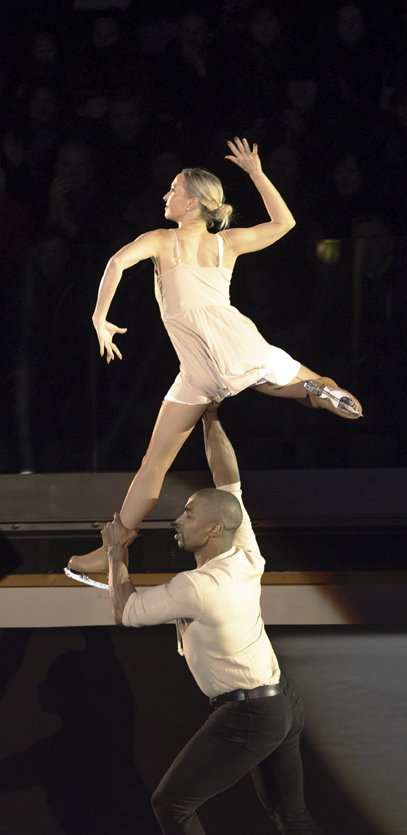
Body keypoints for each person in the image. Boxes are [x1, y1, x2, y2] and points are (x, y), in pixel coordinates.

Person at [102, 405, 358, 835]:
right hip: (279, 699)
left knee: (171, 804)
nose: (178, 519)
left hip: (248, 712)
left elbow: (123, 611)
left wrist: (116, 550)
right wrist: (211, 417)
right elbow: (228, 479)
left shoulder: (198, 585)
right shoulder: (247, 552)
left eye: (189, 514)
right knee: (292, 813)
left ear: (213, 529)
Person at [68, 138, 363, 579]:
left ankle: (113, 549)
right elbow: (285, 222)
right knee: (293, 378)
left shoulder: (162, 241)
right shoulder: (228, 244)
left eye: (172, 190)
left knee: (155, 463)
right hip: (238, 342)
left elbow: (115, 263)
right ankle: (321, 392)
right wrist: (256, 172)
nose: (165, 196)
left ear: (191, 204)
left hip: (200, 364)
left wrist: (99, 318)